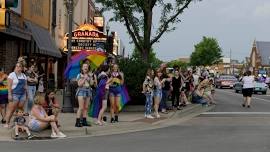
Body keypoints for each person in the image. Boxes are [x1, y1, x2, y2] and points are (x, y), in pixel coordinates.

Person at [4, 62, 28, 128]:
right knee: (11, 109)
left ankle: (17, 123)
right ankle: (7, 122)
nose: (18, 68)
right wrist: (9, 95)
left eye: (19, 66)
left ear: (22, 68)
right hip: (14, 94)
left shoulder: (24, 75)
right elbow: (9, 86)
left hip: (22, 94)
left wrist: (27, 94)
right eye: (16, 66)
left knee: (20, 109)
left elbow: (26, 86)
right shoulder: (12, 75)